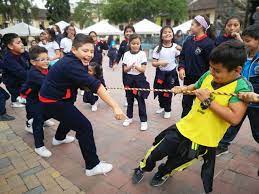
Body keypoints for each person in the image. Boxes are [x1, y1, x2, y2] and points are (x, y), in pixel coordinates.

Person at [132, 40, 252, 193]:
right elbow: (195, 87)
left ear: (237, 70)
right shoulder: (209, 75)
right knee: (157, 151)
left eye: (217, 70)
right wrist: (182, 89)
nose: (212, 73)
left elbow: (235, 118)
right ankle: (143, 167)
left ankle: (163, 173)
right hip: (184, 127)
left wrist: (208, 100)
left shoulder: (242, 88)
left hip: (203, 140)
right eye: (211, 67)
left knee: (176, 163)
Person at [39, 34, 125, 176]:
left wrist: (94, 88)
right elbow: (94, 84)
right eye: (85, 51)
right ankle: (92, 166)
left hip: (58, 99)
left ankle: (59, 138)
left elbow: (84, 83)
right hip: (53, 102)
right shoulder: (71, 64)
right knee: (84, 127)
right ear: (74, 49)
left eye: (91, 51)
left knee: (70, 115)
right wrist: (115, 106)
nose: (89, 55)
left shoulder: (75, 61)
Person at [216, 25, 259, 156]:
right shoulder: (243, 55)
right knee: (233, 122)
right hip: (239, 97)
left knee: (257, 129)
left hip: (255, 102)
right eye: (244, 40)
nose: (244, 43)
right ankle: (223, 145)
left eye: (248, 41)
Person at [19, 46, 53, 157]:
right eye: (42, 59)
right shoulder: (34, 73)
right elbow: (48, 84)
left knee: (46, 114)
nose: (46, 61)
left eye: (47, 58)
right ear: (33, 62)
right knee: (37, 122)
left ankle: (32, 121)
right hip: (33, 99)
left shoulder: (46, 68)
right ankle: (39, 146)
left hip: (40, 97)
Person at [178, 15, 215, 118]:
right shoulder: (188, 41)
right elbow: (182, 57)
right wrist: (181, 68)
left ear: (200, 26)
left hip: (202, 80)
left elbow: (212, 64)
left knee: (201, 105)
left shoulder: (209, 44)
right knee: (186, 104)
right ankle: (184, 123)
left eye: (193, 24)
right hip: (188, 79)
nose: (191, 27)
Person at [122, 34, 150, 131]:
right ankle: (129, 118)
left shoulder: (142, 54)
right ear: (129, 44)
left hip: (139, 80)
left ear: (140, 44)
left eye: (137, 43)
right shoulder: (126, 54)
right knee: (129, 100)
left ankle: (144, 121)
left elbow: (143, 69)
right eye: (133, 43)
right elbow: (125, 70)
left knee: (141, 101)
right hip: (129, 79)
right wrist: (130, 67)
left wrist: (136, 67)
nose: (135, 45)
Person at [152, 26, 181, 119]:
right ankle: (161, 106)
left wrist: (181, 69)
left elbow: (180, 60)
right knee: (159, 90)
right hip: (160, 74)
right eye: (165, 32)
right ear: (161, 36)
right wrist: (160, 63)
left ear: (173, 34)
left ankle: (167, 109)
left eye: (170, 32)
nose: (167, 34)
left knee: (168, 92)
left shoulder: (176, 47)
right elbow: (153, 63)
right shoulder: (158, 48)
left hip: (171, 74)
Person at [2, 33, 30, 108]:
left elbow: (33, 60)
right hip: (14, 84)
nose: (22, 44)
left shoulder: (23, 52)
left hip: (21, 80)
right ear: (10, 46)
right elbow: (21, 73)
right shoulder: (8, 59)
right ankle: (15, 101)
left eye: (21, 42)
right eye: (18, 43)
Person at [115, 25, 136, 107]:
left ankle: (135, 97)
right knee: (126, 83)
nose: (128, 33)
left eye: (130, 31)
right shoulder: (123, 43)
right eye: (127, 31)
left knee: (135, 83)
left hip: (135, 67)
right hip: (125, 68)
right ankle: (128, 98)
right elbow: (119, 53)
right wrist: (116, 62)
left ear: (133, 32)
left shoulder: (136, 42)